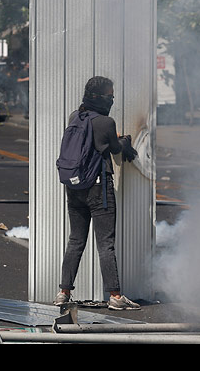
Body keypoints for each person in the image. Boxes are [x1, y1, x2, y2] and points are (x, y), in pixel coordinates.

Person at [54, 76, 141, 311]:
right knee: (105, 244)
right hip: (98, 188)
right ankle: (115, 296)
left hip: (74, 187)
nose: (112, 100)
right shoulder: (106, 122)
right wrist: (126, 143)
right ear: (102, 98)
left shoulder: (75, 116)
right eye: (111, 96)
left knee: (75, 241)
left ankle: (63, 293)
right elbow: (114, 148)